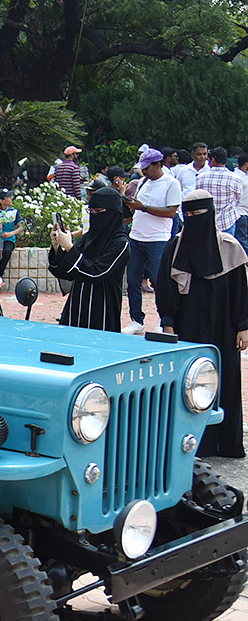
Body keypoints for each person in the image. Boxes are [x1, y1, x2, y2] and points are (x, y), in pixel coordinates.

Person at [155, 189, 248, 458]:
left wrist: (243, 325)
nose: (196, 218)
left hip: (224, 328)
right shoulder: (175, 248)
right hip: (188, 329)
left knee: (225, 379)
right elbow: (166, 289)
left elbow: (241, 290)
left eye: (201, 213)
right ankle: (195, 444)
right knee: (190, 384)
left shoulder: (230, 248)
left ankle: (226, 444)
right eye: (190, 214)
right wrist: (168, 322)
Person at [48, 186, 129, 332]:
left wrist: (70, 248)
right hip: (76, 307)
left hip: (102, 310)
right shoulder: (88, 238)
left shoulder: (121, 243)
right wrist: (56, 248)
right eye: (91, 211)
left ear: (112, 213)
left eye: (98, 212)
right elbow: (65, 272)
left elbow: (95, 273)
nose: (94, 216)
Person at [122, 148, 181, 334]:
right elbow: (136, 209)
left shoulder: (171, 183)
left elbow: (171, 212)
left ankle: (163, 320)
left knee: (159, 282)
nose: (144, 171)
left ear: (158, 165)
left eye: (147, 168)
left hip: (158, 240)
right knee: (133, 281)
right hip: (137, 237)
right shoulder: (142, 182)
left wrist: (144, 207)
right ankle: (136, 320)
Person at [199, 146, 242, 234]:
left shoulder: (201, 178)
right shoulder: (235, 178)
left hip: (206, 222)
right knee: (227, 247)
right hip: (228, 221)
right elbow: (238, 200)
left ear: (213, 160)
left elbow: (199, 198)